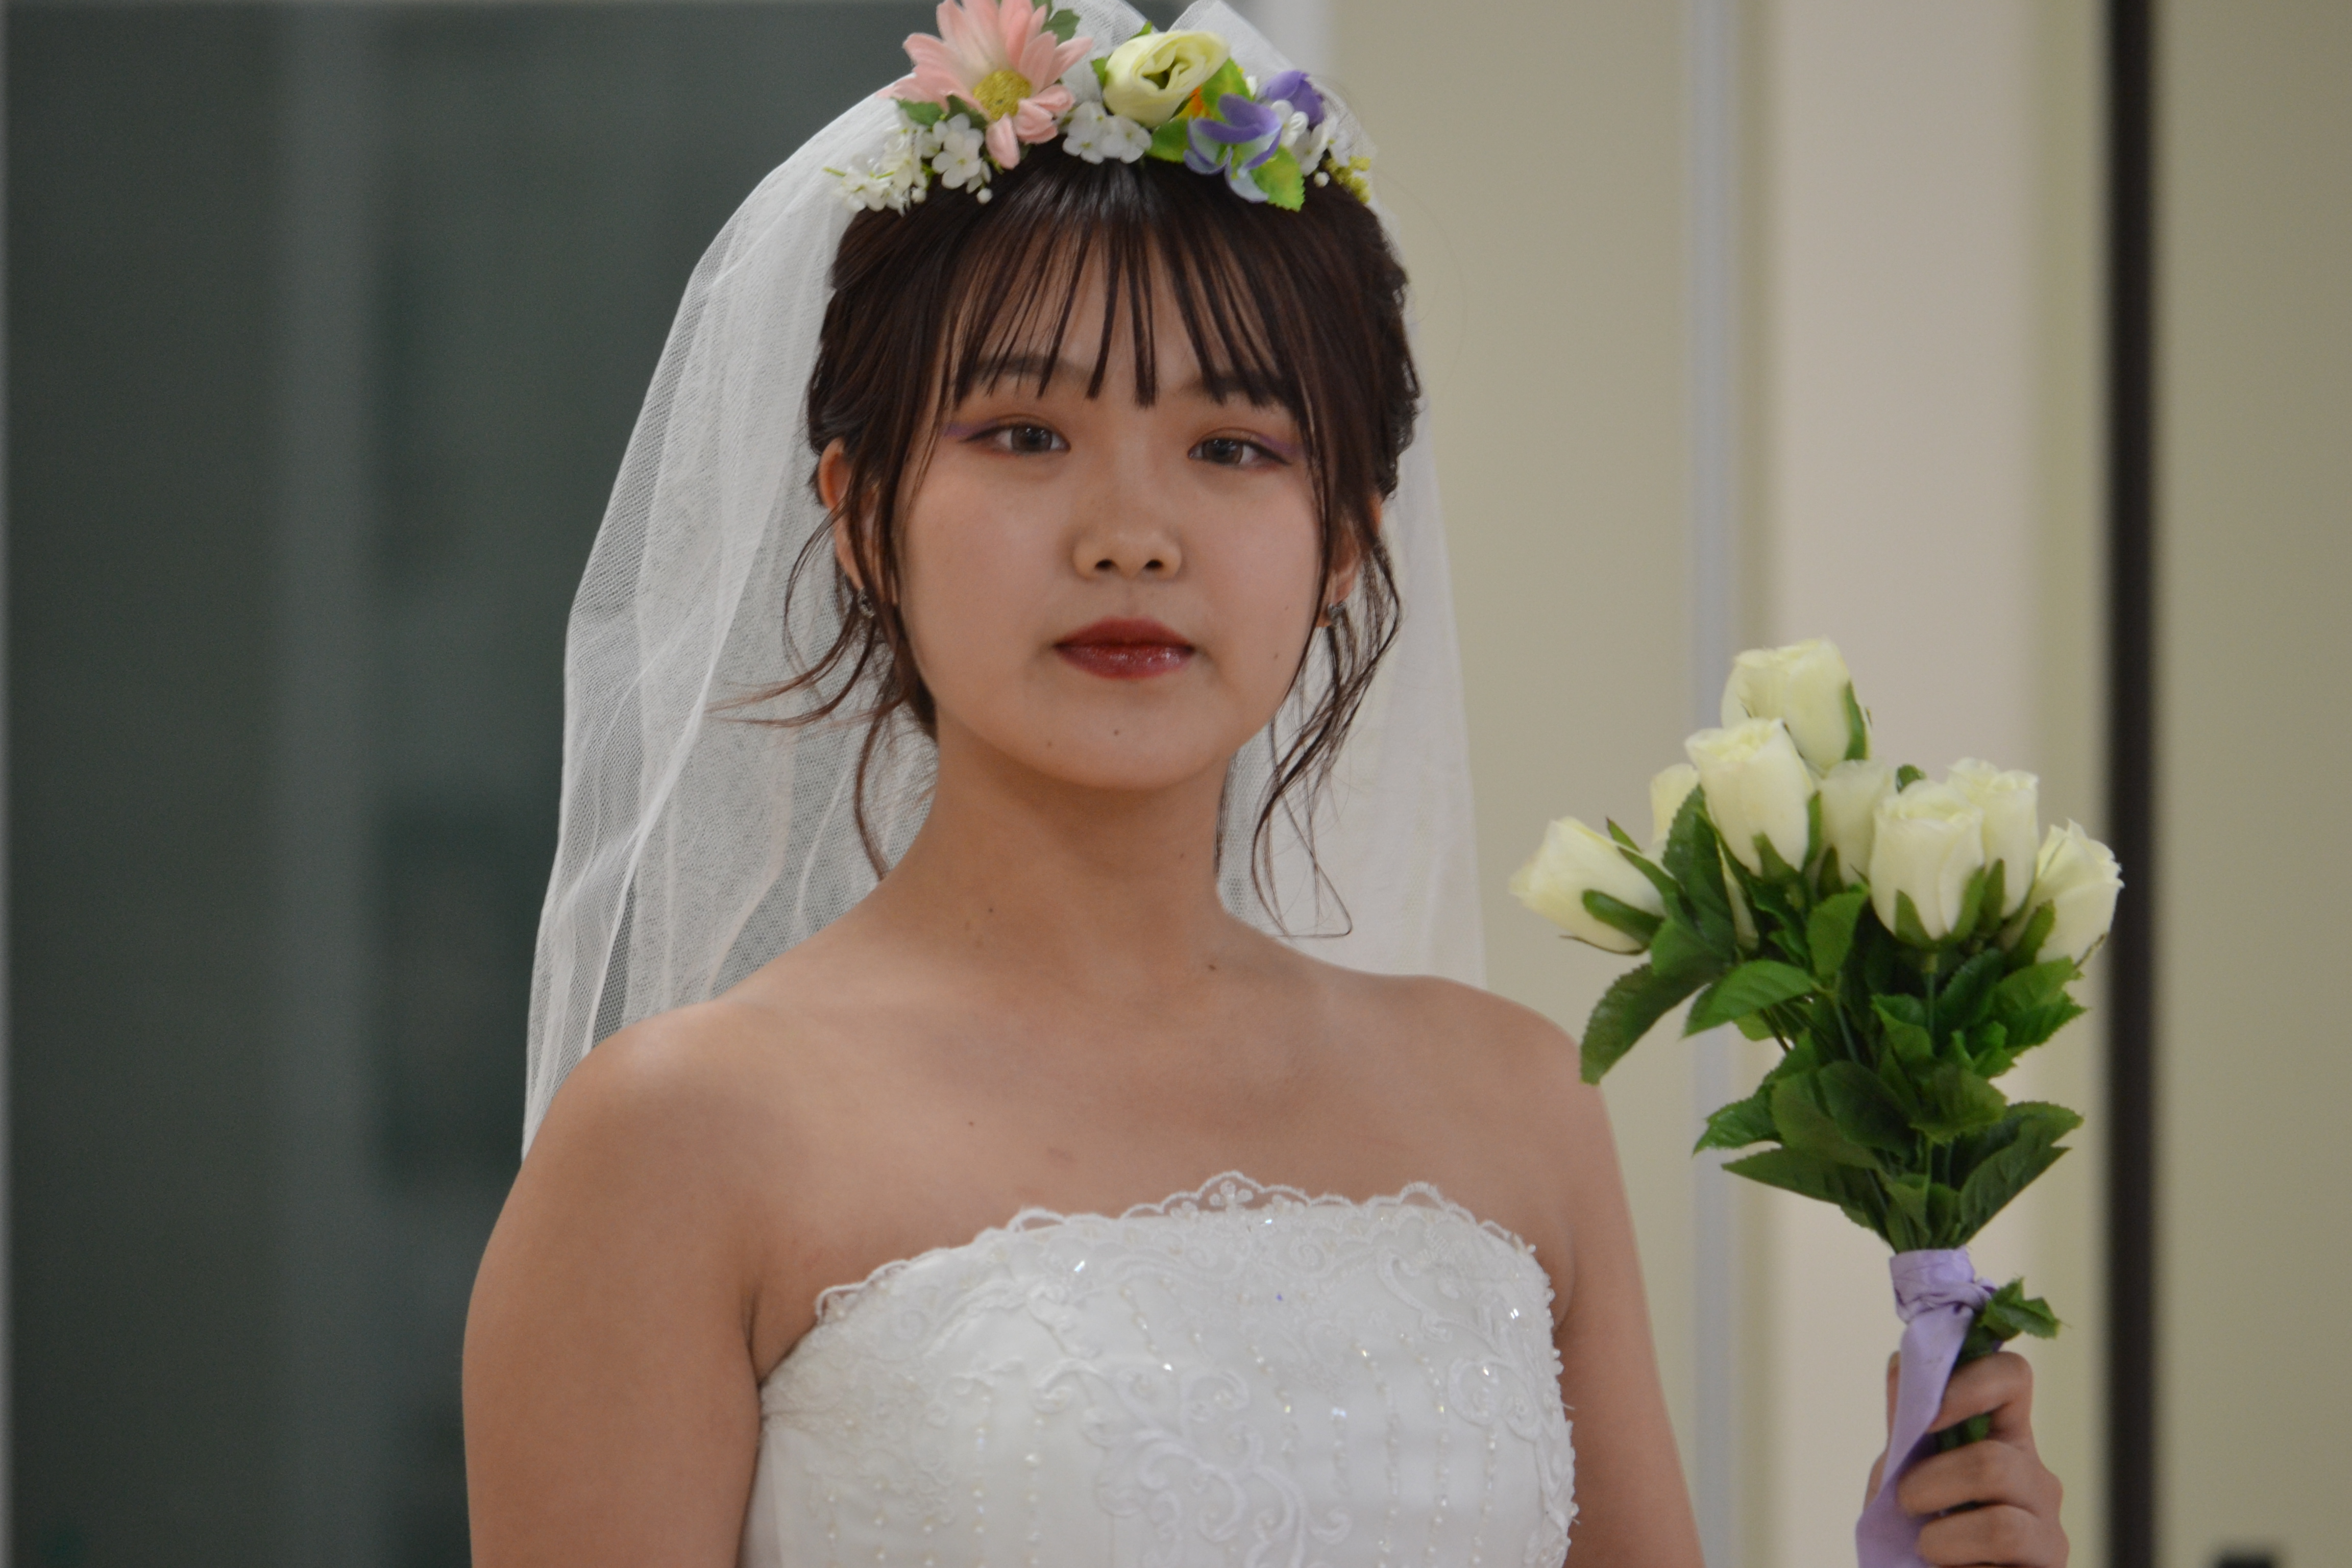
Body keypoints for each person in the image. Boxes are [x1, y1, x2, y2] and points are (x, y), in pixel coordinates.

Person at [462, 4, 2069, 1563]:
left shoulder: (1520, 1104)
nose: (1130, 535)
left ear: (1346, 538)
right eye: (1024, 434)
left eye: (1232, 448)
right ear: (861, 513)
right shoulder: (680, 1138)